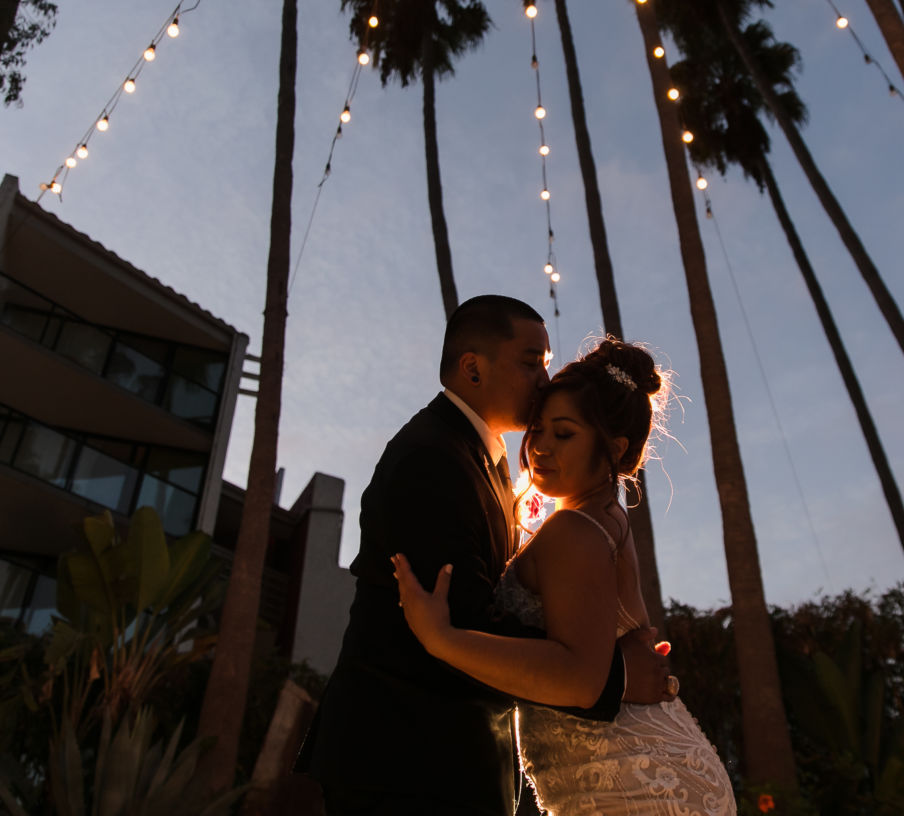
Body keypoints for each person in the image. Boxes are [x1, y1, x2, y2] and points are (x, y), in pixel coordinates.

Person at [297, 296, 676, 816]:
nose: (544, 381)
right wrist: (615, 676)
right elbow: (462, 621)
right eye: (530, 362)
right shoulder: (431, 458)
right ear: (472, 367)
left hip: (453, 766)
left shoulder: (491, 467)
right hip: (405, 761)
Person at [394, 337, 738, 816]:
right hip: (654, 768)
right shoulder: (608, 520)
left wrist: (442, 638)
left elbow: (579, 678)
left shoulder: (576, 528)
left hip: (635, 785)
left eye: (564, 434)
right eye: (538, 429)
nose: (539, 447)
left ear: (614, 450)